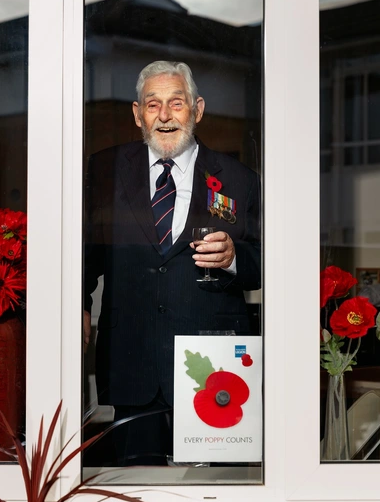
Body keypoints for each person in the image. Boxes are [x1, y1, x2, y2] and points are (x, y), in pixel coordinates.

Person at [84, 60, 261, 466]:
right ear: (137, 113)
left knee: (217, 492)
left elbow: (266, 261)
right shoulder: (105, 170)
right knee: (134, 488)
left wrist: (235, 257)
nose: (164, 116)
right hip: (131, 358)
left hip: (213, 363)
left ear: (196, 110)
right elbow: (83, 252)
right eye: (153, 104)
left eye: (176, 103)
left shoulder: (238, 178)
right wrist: (77, 305)